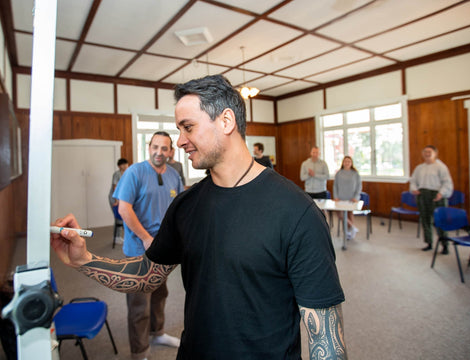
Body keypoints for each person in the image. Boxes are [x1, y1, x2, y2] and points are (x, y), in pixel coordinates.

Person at [51, 74, 347, 360]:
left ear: (226, 121)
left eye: (188, 127)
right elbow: (146, 275)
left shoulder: (297, 212)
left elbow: (327, 343)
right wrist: (83, 259)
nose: (179, 142)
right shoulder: (186, 205)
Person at [113, 131, 183, 360]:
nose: (159, 152)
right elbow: (124, 209)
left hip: (163, 251)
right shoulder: (135, 172)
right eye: (155, 147)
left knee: (160, 294)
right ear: (148, 147)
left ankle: (157, 333)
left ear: (170, 152)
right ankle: (140, 352)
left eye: (164, 148)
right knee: (139, 305)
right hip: (138, 251)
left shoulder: (174, 175)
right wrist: (145, 238)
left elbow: (179, 208)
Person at [410, 145, 453, 254]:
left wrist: (441, 193)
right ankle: (429, 243)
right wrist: (414, 189)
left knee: (441, 221)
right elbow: (413, 181)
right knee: (425, 220)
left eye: (429, 152)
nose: (427, 154)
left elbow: (447, 182)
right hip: (423, 194)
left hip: (436, 195)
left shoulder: (441, 167)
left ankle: (445, 245)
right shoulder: (419, 167)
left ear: (435, 153)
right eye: (425, 152)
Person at [333, 156, 362, 239]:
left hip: (351, 198)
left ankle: (349, 233)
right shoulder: (339, 173)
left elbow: (359, 186)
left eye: (349, 161)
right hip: (340, 198)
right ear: (343, 163)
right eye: (345, 161)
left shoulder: (355, 173)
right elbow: (335, 186)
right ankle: (352, 227)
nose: (347, 163)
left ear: (351, 163)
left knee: (349, 214)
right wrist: (336, 197)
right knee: (340, 214)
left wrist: (356, 197)